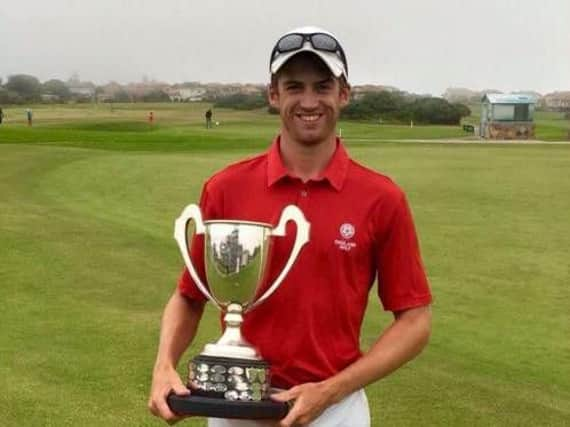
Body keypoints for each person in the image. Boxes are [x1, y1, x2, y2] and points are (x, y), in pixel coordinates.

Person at [149, 26, 432, 427]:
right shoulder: (227, 187)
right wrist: (164, 365)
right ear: (273, 95)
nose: (309, 101)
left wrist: (331, 389)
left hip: (335, 412)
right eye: (294, 86)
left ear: (344, 94)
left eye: (323, 86)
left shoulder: (381, 197)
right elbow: (190, 295)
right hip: (234, 411)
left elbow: (415, 321)